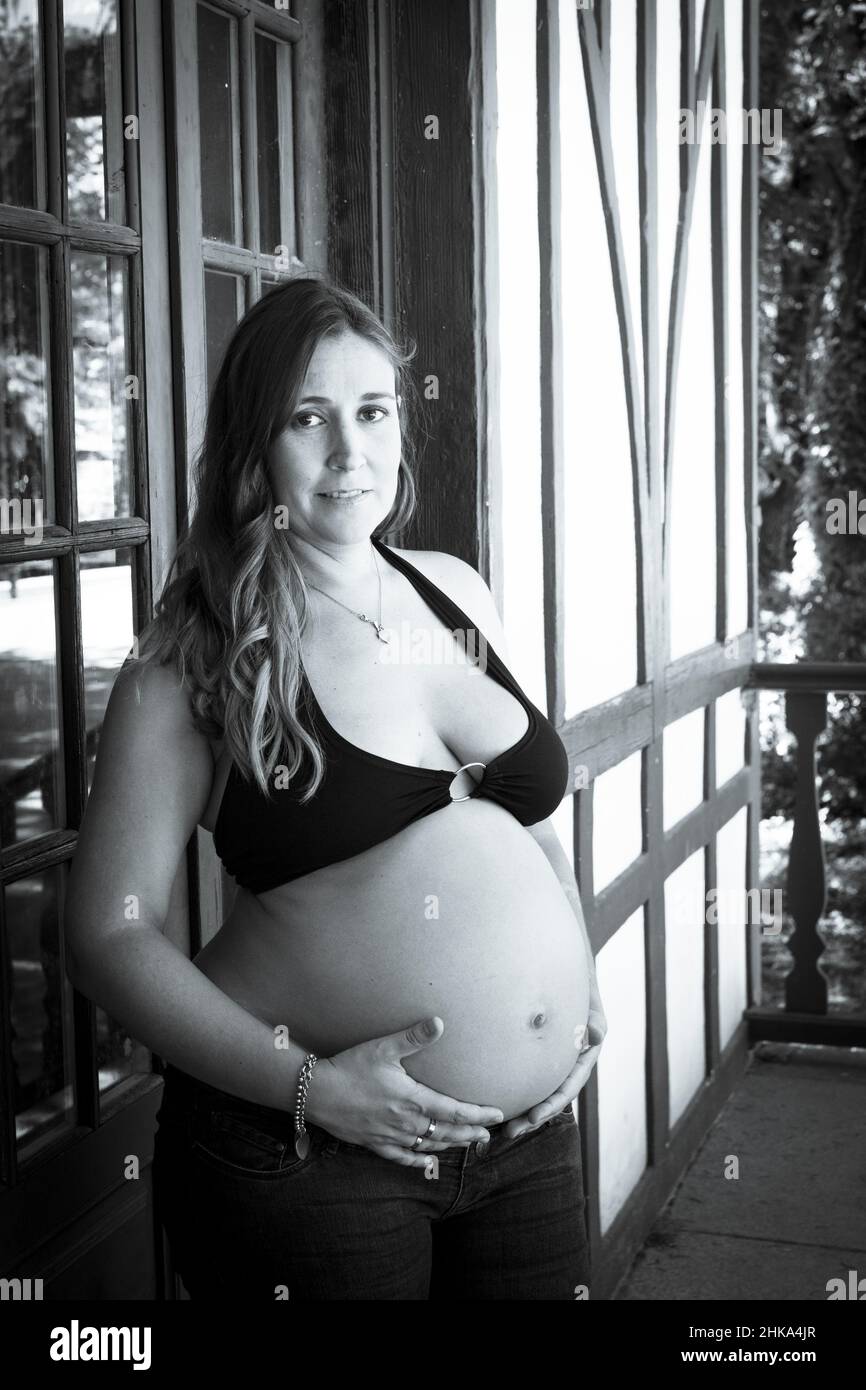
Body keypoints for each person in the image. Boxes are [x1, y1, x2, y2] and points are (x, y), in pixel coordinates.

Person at [65, 275, 607, 1300]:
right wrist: (312, 1088)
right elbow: (108, 934)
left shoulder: (454, 589)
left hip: (526, 1144)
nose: (349, 451)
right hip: (311, 1162)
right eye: (307, 418)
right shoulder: (197, 654)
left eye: (371, 410)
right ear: (253, 446)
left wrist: (574, 987)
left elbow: (514, 816)